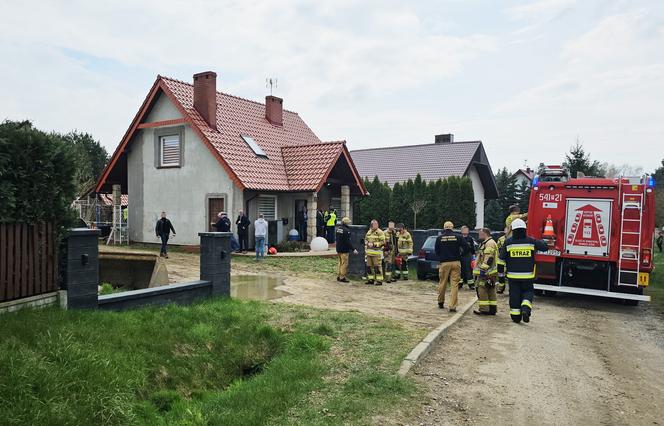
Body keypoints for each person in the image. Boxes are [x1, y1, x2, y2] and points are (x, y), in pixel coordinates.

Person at [498, 219, 548, 323]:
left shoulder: (508, 242)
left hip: (513, 277)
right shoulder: (530, 241)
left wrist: (501, 278)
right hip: (528, 276)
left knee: (514, 295)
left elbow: (500, 261)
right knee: (528, 292)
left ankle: (516, 317)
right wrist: (543, 241)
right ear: (525, 229)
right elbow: (544, 247)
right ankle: (525, 308)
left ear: (513, 230)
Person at [435, 221, 469, 312]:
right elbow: (467, 247)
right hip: (456, 262)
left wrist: (442, 256)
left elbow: (436, 251)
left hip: (444, 263)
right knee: (454, 284)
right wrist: (461, 254)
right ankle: (453, 306)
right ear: (452, 227)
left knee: (443, 283)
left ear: (444, 228)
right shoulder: (458, 237)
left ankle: (441, 302)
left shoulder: (439, 238)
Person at [473, 228, 499, 315]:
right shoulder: (488, 243)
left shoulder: (489, 243)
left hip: (487, 272)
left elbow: (489, 258)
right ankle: (492, 309)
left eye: (480, 234)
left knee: (481, 288)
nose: (479, 236)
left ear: (485, 234)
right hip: (491, 272)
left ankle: (484, 309)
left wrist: (483, 270)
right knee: (490, 289)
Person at [335, 217, 358, 282]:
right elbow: (348, 241)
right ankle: (342, 277)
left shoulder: (338, 229)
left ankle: (338, 276)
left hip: (338, 249)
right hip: (344, 250)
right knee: (344, 264)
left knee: (340, 262)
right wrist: (353, 249)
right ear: (346, 223)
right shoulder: (346, 230)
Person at [364, 219, 386, 285]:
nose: (375, 225)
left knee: (377, 267)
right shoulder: (369, 232)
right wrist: (366, 243)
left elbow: (383, 242)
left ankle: (379, 281)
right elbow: (366, 239)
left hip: (376, 253)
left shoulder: (380, 232)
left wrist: (374, 244)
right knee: (369, 267)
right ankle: (371, 279)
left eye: (376, 224)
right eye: (373, 224)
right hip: (369, 253)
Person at [459, 225, 476, 290]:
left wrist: (473, 256)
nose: (465, 231)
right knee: (461, 270)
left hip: (468, 256)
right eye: (464, 230)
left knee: (469, 270)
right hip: (460, 256)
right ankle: (460, 284)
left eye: (467, 230)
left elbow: (473, 248)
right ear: (461, 231)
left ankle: (471, 284)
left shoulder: (470, 238)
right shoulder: (459, 238)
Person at [495, 230, 507, 294]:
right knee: (500, 274)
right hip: (502, 260)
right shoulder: (500, 239)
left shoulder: (513, 238)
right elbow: (497, 249)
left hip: (510, 260)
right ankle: (501, 287)